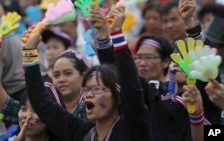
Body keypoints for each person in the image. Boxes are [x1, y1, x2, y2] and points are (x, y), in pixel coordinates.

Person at [22, 5, 153, 141]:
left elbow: (131, 88)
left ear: (118, 96)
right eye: (86, 89)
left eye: (96, 89)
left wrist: (115, 33)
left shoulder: (134, 127)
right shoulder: (83, 133)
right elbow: (43, 105)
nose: (88, 95)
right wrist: (29, 52)